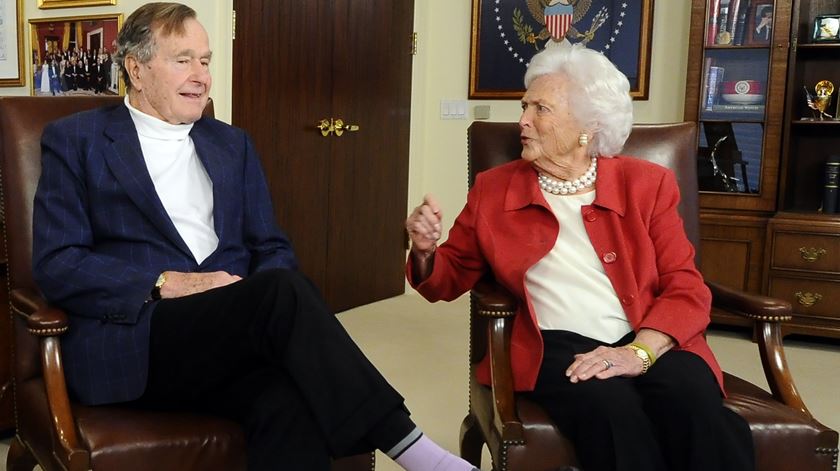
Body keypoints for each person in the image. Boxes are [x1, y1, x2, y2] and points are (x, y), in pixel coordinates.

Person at [32, 3, 477, 471]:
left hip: (232, 334)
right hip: (142, 337)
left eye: (206, 61)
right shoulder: (76, 140)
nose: (201, 75)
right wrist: (168, 283)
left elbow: (272, 247)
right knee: (280, 293)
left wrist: (246, 302)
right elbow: (58, 261)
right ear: (137, 70)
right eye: (183, 60)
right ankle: (417, 451)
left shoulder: (231, 144)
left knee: (290, 400)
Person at [405, 41, 754, 471]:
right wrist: (425, 251)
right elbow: (449, 277)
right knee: (612, 413)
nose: (523, 121)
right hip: (555, 343)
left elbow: (686, 286)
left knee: (693, 403)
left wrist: (641, 352)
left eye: (541, 109)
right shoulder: (495, 189)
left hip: (652, 334)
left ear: (588, 125)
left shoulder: (647, 184)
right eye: (524, 106)